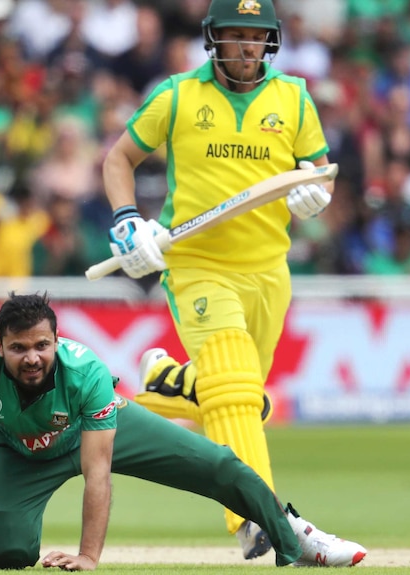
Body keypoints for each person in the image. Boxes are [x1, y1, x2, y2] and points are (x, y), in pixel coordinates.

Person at [100, 0, 364, 564]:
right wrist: (127, 221)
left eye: (255, 37)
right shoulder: (177, 94)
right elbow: (118, 159)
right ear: (212, 39)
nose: (244, 47)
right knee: (238, 395)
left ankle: (172, 380)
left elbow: (317, 176)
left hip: (269, 272)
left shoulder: (294, 97)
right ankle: (266, 523)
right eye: (233, 36)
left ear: (270, 42)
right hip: (197, 266)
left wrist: (315, 197)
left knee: (243, 402)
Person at [0, 293, 366, 572]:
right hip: (14, 450)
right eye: (18, 348)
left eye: (42, 345)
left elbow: (98, 471)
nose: (32, 357)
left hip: (85, 431)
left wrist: (88, 557)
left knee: (219, 464)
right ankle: (167, 383)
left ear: (56, 341)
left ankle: (294, 537)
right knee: (5, 555)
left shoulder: (87, 373)